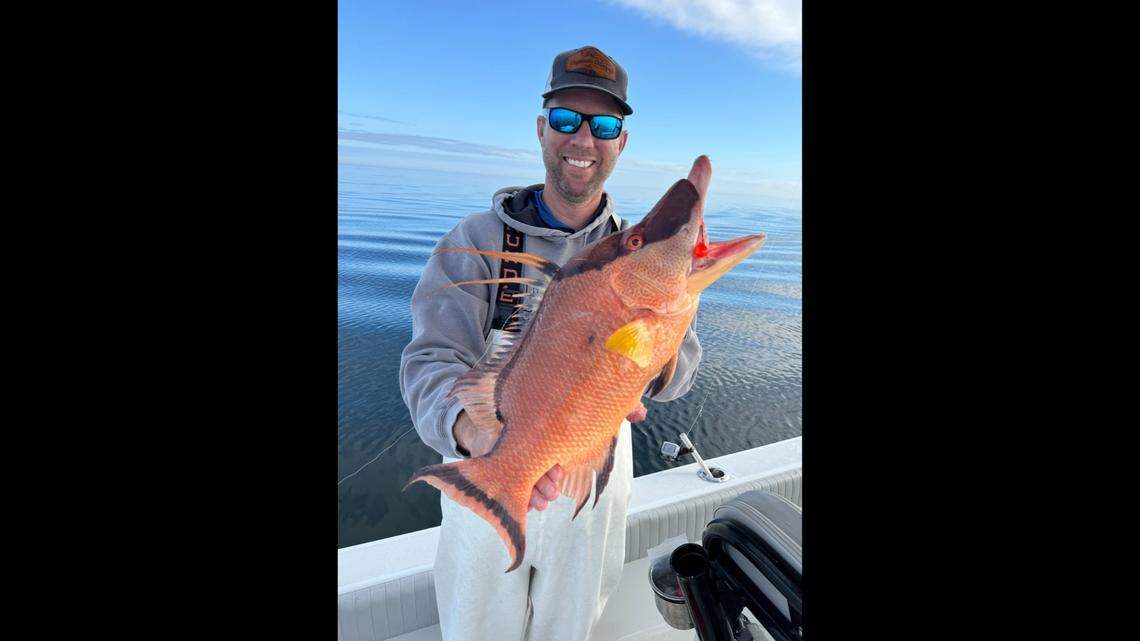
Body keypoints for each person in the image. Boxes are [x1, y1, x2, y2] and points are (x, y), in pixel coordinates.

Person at [399, 45, 701, 641]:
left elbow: (682, 372)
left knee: (570, 628)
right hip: (491, 459)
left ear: (621, 142)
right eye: (566, 119)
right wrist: (472, 430)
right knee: (477, 627)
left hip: (592, 471)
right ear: (542, 129)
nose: (582, 139)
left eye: (604, 124)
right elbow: (430, 359)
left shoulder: (644, 253)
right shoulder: (476, 239)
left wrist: (644, 359)